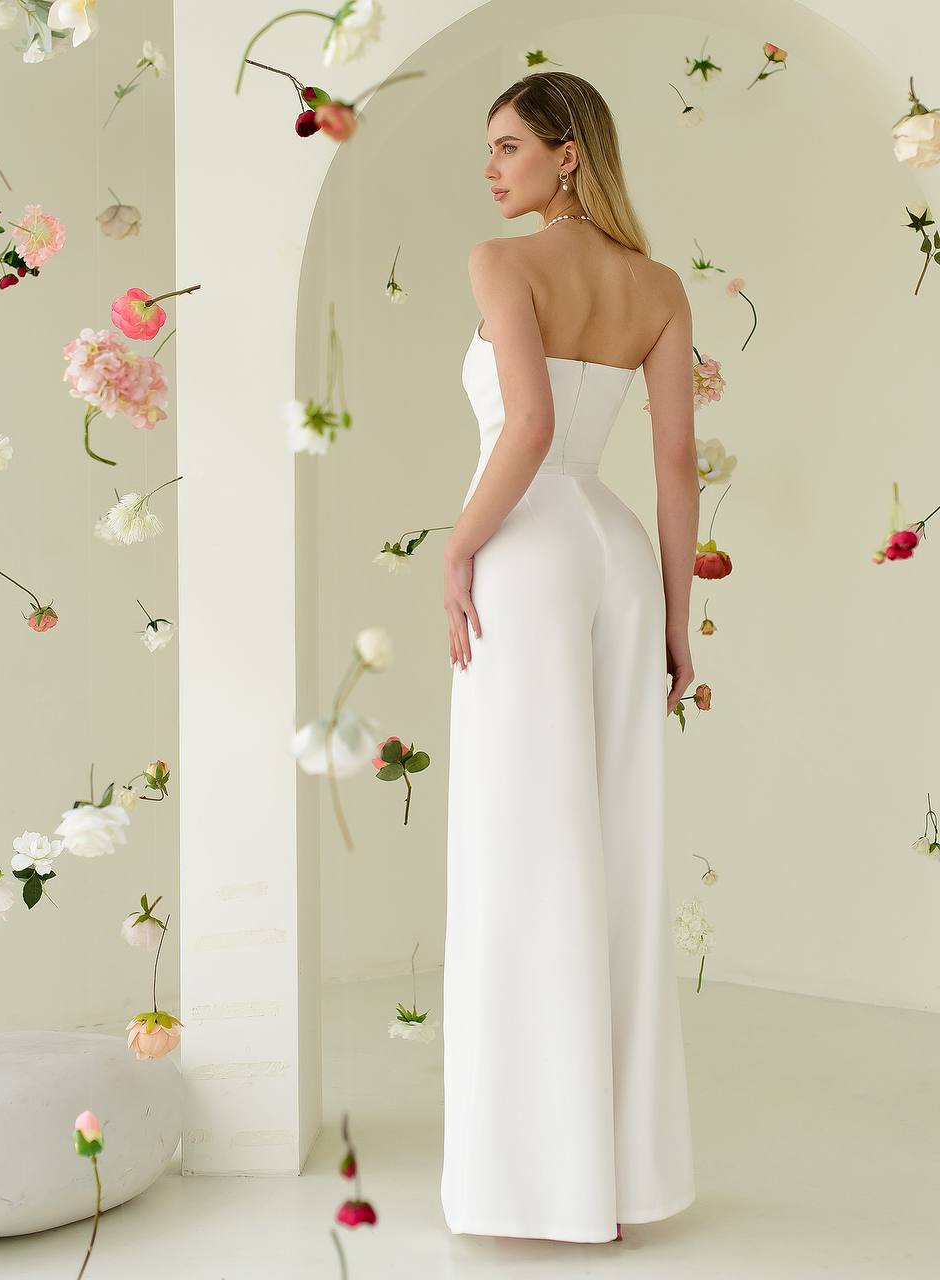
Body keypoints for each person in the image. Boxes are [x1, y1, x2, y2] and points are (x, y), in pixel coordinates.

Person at [440, 71, 700, 1244]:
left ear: (567, 157)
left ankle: (529, 1182)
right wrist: (677, 617)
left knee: (520, 847)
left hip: (531, 546)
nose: (491, 170)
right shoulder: (655, 287)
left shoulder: (504, 266)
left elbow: (529, 426)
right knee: (613, 845)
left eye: (508, 147)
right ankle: (620, 1177)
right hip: (620, 558)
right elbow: (678, 468)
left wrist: (457, 548)